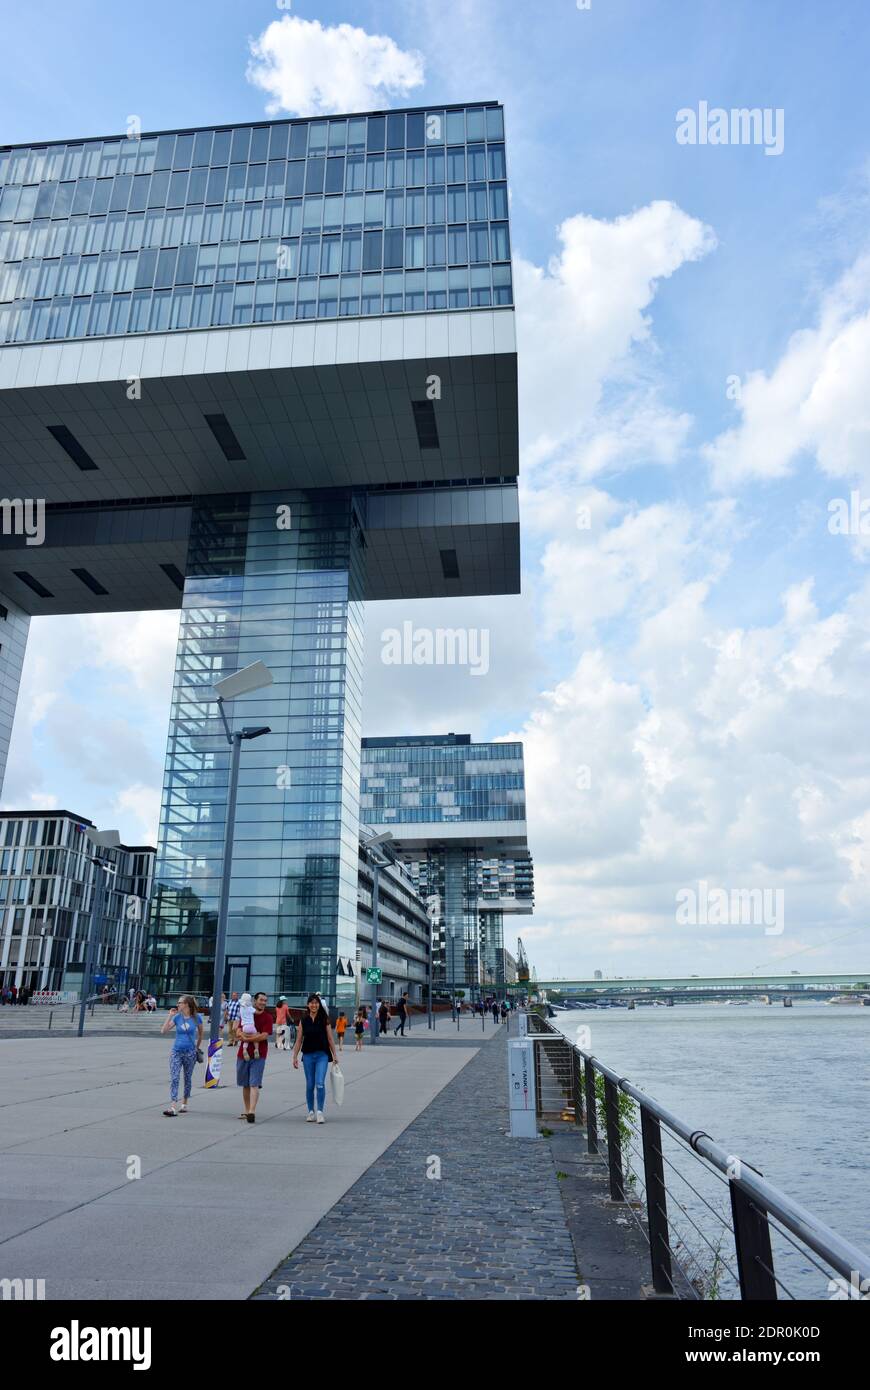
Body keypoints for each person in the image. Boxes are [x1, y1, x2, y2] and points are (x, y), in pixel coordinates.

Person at [292, 993, 338, 1124]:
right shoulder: (304, 1020)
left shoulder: (325, 1019)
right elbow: (299, 1040)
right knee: (310, 1084)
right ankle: (311, 1111)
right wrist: (295, 1056)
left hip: (322, 1055)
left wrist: (335, 1055)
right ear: (308, 1005)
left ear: (319, 1004)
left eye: (316, 1003)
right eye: (311, 1003)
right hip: (307, 1055)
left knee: (320, 1083)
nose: (314, 1005)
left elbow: (330, 1038)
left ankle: (320, 1112)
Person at [160, 994, 203, 1116]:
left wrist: (197, 1048)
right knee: (174, 1078)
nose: (177, 1004)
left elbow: (200, 1034)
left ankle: (185, 1102)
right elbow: (163, 1031)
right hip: (176, 1052)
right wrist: (170, 1016)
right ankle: (173, 1105)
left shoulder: (196, 1018)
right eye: (178, 1002)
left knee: (187, 1078)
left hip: (190, 1052)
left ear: (187, 1004)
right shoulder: (177, 1017)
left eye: (180, 1002)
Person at [236, 990, 272, 1123]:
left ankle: (252, 1111)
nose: (263, 1002)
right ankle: (246, 1110)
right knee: (245, 1084)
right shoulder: (245, 1012)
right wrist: (242, 1035)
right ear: (254, 1001)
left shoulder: (267, 1017)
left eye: (265, 1000)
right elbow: (238, 1030)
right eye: (261, 1000)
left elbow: (264, 1035)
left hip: (259, 1055)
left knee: (254, 1083)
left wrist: (247, 1038)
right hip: (243, 1054)